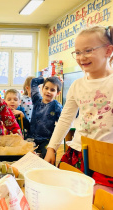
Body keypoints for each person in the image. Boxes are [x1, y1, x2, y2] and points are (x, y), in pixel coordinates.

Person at [45, 25, 113, 192]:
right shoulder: (77, 85)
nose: (82, 57)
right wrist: (51, 147)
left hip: (106, 156)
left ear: (108, 50)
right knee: (66, 192)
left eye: (88, 50)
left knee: (98, 199)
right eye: (78, 52)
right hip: (78, 152)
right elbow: (65, 119)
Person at [28, 76, 62, 158]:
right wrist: (45, 79)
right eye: (46, 88)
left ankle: (49, 170)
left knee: (48, 154)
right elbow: (34, 82)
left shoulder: (56, 106)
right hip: (31, 138)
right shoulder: (36, 99)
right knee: (26, 154)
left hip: (47, 140)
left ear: (58, 93)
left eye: (52, 90)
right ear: (42, 88)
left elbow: (63, 119)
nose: (48, 92)